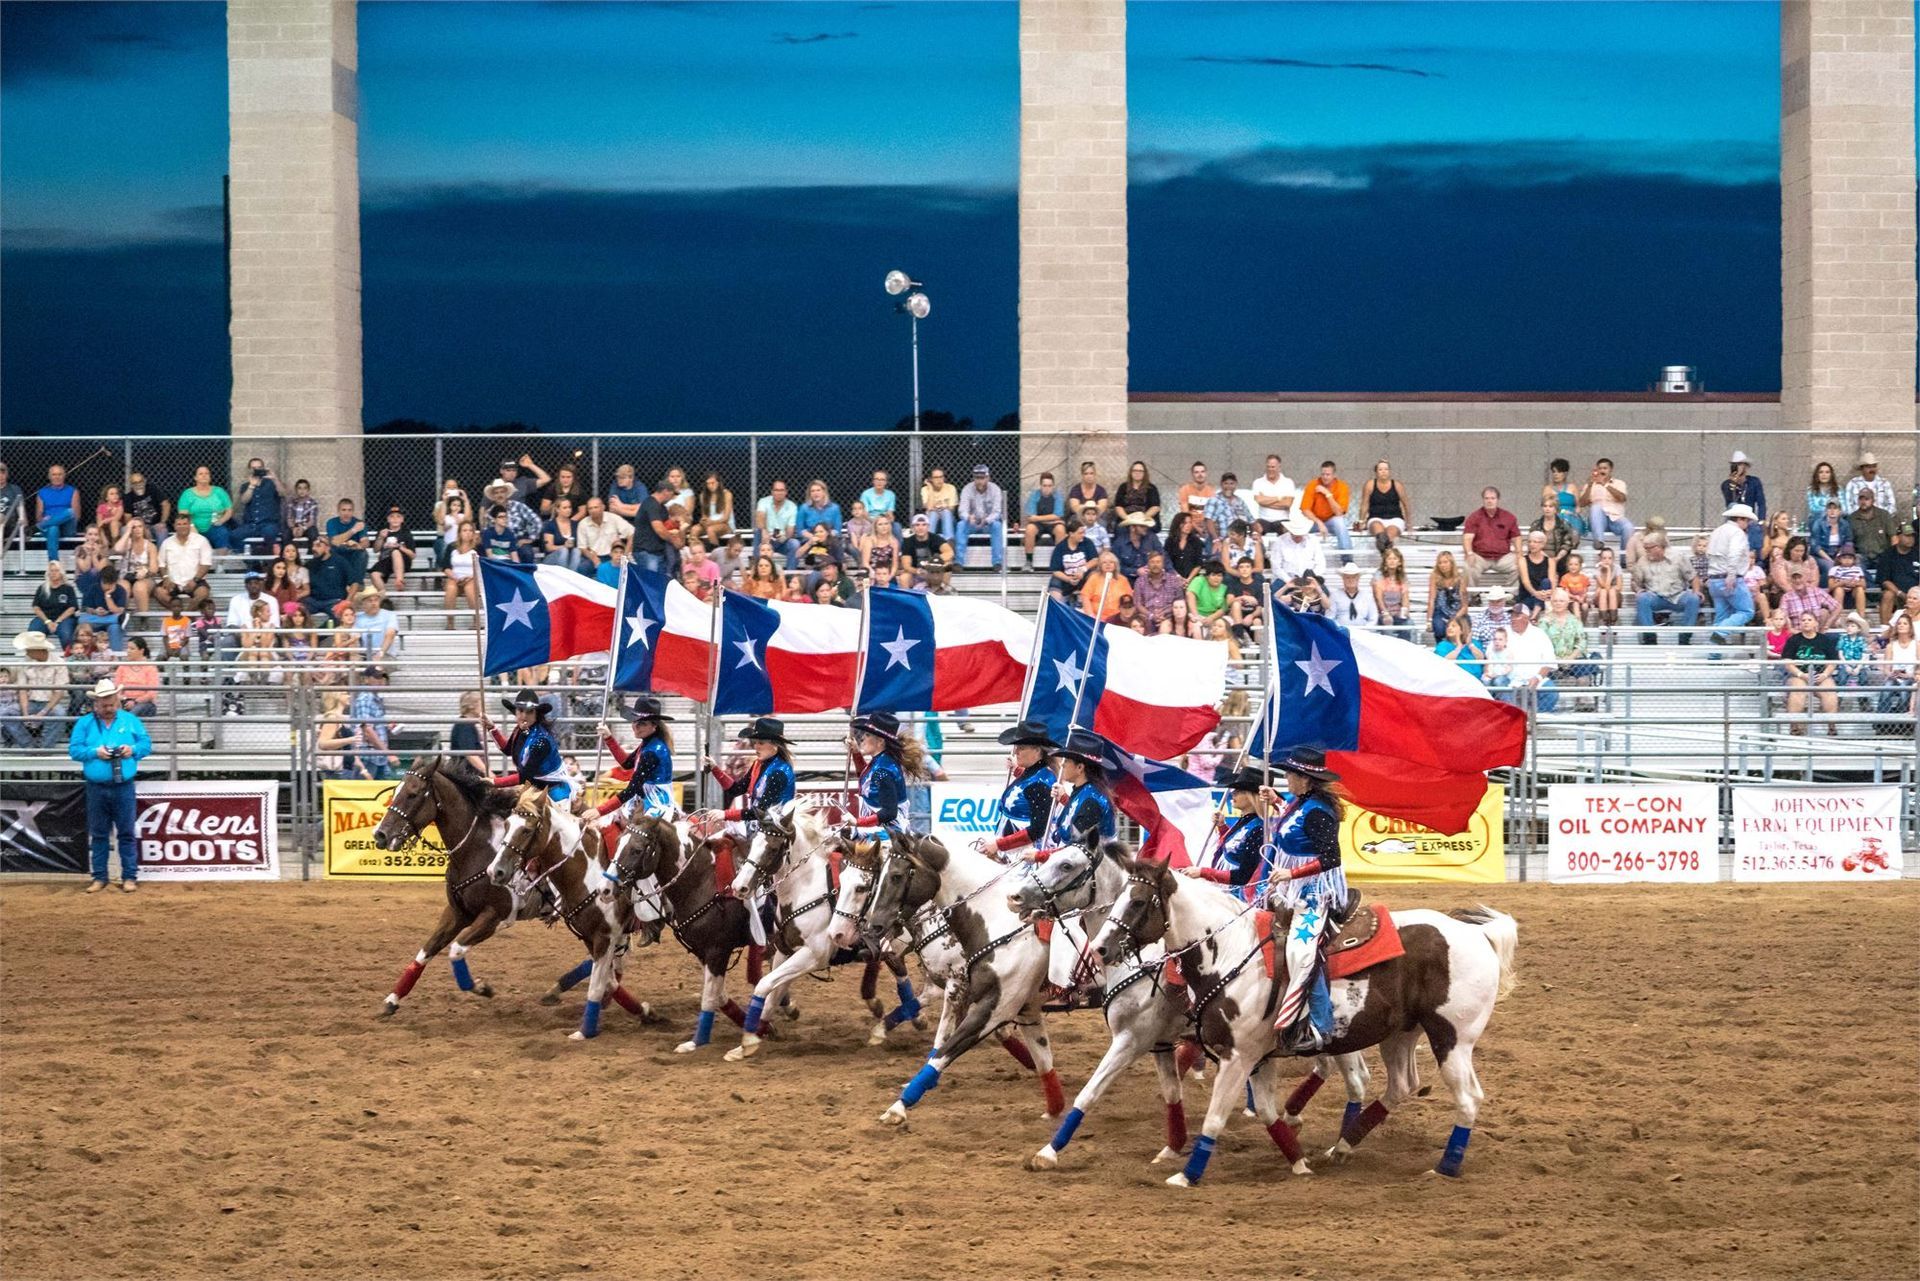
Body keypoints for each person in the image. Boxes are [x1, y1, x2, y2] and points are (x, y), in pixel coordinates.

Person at [1264, 748, 1347, 1054]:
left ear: (1304, 779)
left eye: (1290, 775)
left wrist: (1291, 872)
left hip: (1315, 890)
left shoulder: (1317, 812)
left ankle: (1322, 1025)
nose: (1286, 779)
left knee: (1302, 950)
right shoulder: (1301, 804)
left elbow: (1331, 857)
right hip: (1293, 886)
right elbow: (1291, 813)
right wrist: (1275, 799)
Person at [69, 678, 153, 892]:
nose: (108, 709)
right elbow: (74, 750)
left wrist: (132, 750)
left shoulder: (130, 720)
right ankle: (100, 876)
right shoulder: (84, 723)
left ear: (117, 701)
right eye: (104, 705)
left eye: (111, 704)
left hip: (122, 785)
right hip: (97, 786)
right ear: (96, 704)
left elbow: (146, 744)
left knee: (125, 832)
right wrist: (94, 752)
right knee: (99, 834)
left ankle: (129, 876)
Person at [482, 689, 584, 851]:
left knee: (551, 843)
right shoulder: (521, 731)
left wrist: (495, 782)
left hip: (554, 793)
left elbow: (525, 776)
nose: (524, 716)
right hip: (534, 791)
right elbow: (508, 749)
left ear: (536, 714)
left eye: (529, 712)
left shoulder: (541, 740)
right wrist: (492, 729)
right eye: (520, 711)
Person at [593, 696, 679, 844]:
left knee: (636, 843)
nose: (635, 726)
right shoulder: (647, 744)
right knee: (607, 823)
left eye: (642, 723)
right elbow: (627, 763)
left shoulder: (653, 751)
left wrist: (600, 810)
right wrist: (608, 738)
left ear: (654, 726)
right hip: (644, 798)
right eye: (635, 721)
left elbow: (631, 789)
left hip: (657, 803)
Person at [1179, 768, 1273, 899]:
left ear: (1251, 796)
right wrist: (1223, 827)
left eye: (1239, 791)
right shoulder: (1246, 822)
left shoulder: (1258, 829)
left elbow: (1243, 876)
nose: (1233, 794)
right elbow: (1233, 849)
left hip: (1238, 897)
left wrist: (1203, 872)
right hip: (1227, 890)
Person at [699, 716, 797, 840]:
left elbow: (759, 811)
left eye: (761, 743)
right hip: (760, 824)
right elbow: (736, 789)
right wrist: (715, 768)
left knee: (721, 842)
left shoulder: (779, 772)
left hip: (774, 831)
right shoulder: (759, 764)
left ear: (775, 745)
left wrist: (725, 814)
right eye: (755, 742)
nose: (756, 746)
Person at [973, 719, 1057, 859]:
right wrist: (1017, 770)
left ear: (1037, 750)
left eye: (1021, 747)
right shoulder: (1032, 774)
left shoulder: (1040, 784)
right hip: (1011, 849)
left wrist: (999, 844)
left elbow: (1037, 830)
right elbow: (1026, 789)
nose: (1016, 751)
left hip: (1024, 856)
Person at [843, 710, 929, 839]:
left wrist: (857, 822)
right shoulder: (880, 762)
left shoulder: (883, 771)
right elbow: (867, 779)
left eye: (867, 735)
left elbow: (889, 813)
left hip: (887, 833)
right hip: (876, 829)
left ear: (880, 741)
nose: (862, 738)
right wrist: (856, 753)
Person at [1632, 536, 1701, 644]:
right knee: (1642, 598)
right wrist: (1638, 589)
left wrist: (1696, 590)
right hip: (1655, 597)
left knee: (1694, 598)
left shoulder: (1678, 557)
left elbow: (1693, 577)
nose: (1646, 551)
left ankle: (1685, 637)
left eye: (1648, 548)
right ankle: (1650, 637)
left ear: (1659, 547)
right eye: (1645, 548)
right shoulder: (1642, 561)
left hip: (1678, 596)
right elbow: (1635, 582)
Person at [1780, 611, 1839, 735]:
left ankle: (1832, 726)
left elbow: (1833, 662)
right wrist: (1801, 675)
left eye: (1809, 620)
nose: (1806, 622)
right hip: (1800, 675)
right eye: (1803, 620)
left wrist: (1825, 675)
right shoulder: (1793, 640)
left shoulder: (1824, 640)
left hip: (1820, 675)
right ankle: (1795, 727)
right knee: (1798, 690)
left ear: (1816, 623)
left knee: (1830, 690)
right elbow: (1787, 662)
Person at [1706, 503, 1758, 644]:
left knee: (1721, 616)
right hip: (1729, 578)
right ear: (1741, 519)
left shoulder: (1717, 531)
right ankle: (1719, 633)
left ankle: (1714, 655)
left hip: (1714, 578)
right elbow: (1734, 554)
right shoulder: (1737, 533)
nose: (1748, 524)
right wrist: (1731, 575)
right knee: (1747, 611)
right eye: (1747, 520)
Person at [1497, 607, 1559, 712]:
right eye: (1512, 616)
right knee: (1499, 682)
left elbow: (1549, 661)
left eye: (1517, 616)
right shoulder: (1503, 633)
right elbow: (1492, 652)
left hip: (1535, 679)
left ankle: (1534, 718)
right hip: (1509, 678)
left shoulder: (1539, 634)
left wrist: (1538, 677)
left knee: (1551, 692)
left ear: (1526, 618)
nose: (1513, 619)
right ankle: (1513, 717)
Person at [1461, 487, 1521, 587]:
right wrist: (1469, 553)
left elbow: (1516, 537)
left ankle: (1510, 595)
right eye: (1487, 498)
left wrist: (1519, 554)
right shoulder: (1474, 517)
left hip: (1502, 557)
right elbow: (1467, 538)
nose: (1489, 501)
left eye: (1493, 498)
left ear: (1498, 500)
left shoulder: (1508, 517)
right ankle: (1473, 597)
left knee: (1522, 565)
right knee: (1468, 566)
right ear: (1483, 500)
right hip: (1480, 557)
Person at [956, 464, 1007, 570]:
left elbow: (997, 512)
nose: (979, 481)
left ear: (988, 478)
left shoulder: (995, 489)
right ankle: (958, 562)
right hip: (972, 523)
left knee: (997, 525)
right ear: (974, 478)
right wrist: (968, 517)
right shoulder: (967, 489)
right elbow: (962, 510)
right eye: (977, 478)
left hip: (988, 524)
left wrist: (987, 520)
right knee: (961, 525)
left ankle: (997, 562)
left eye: (982, 478)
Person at [1578, 458, 1632, 552]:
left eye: (1605, 468)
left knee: (1629, 528)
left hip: (1615, 518)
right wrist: (1590, 486)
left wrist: (1605, 484)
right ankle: (1599, 542)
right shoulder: (1591, 485)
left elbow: (1622, 498)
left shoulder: (1619, 483)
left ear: (1611, 470)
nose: (1602, 471)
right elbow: (1581, 503)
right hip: (1597, 521)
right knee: (1596, 507)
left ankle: (1624, 560)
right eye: (1600, 468)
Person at [232, 457, 284, 552]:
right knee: (234, 535)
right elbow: (244, 501)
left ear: (263, 468)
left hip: (269, 523)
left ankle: (267, 561)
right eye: (253, 468)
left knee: (270, 534)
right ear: (249, 470)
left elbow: (283, 494)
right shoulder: (246, 485)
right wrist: (251, 486)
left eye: (259, 467)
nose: (256, 470)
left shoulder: (272, 483)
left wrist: (275, 479)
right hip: (251, 524)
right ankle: (252, 561)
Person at [178, 465, 234, 551]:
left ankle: (221, 563)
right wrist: (191, 526)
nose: (204, 475)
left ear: (210, 477)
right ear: (195, 477)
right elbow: (183, 514)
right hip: (193, 527)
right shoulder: (187, 494)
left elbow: (229, 510)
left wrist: (221, 521)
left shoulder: (219, 492)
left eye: (207, 473)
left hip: (215, 525)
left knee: (222, 533)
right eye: (200, 474)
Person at [1298, 461, 1353, 551]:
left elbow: (1339, 513)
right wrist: (1319, 522)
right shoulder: (1313, 484)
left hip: (1331, 521)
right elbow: (1305, 509)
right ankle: (1301, 557)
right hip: (1314, 522)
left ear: (1334, 475)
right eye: (1323, 474)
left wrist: (1327, 494)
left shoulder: (1342, 486)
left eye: (1328, 474)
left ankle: (1347, 560)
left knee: (1339, 522)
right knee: (1299, 525)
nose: (1325, 477)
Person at [1721, 451, 1767, 553]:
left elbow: (1761, 502)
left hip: (1749, 517)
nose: (1739, 467)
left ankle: (1755, 555)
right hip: (1733, 518)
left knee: (1755, 531)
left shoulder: (1754, 482)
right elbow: (1730, 503)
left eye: (1742, 464)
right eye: (1736, 465)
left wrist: (1761, 519)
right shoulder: (1726, 484)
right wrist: (1734, 484)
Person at [77, 566, 129, 653]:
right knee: (81, 620)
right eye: (104, 583)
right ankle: (116, 619)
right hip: (96, 620)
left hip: (111, 621)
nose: (106, 586)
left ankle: (116, 659)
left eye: (110, 584)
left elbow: (119, 610)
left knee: (115, 628)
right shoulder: (93, 588)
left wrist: (107, 596)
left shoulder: (120, 590)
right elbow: (84, 608)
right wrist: (95, 611)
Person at [1267, 511, 1326, 585]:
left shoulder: (1313, 540)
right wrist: (1289, 580)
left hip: (1310, 578)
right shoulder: (1280, 541)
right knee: (1274, 594)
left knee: (1325, 594)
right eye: (1295, 535)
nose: (1298, 537)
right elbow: (1276, 566)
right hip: (1286, 579)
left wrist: (1311, 578)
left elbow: (1321, 563)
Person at [1876, 523, 1919, 624]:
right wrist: (1900, 593)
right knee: (1888, 595)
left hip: (1917, 592)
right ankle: (1885, 628)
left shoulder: (1918, 553)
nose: (1911, 539)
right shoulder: (1887, 555)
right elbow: (1884, 581)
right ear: (1898, 536)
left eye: (1912, 536)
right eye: (1907, 536)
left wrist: (1915, 593)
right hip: (1896, 594)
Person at [30, 563, 80, 651]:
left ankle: (69, 658)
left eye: (56, 570)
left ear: (61, 573)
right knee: (33, 632)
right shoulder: (42, 588)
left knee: (66, 634)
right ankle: (36, 658)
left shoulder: (68, 589)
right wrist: (47, 621)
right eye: (51, 571)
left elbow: (72, 608)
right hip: (45, 619)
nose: (53, 573)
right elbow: (36, 607)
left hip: (64, 619)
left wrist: (57, 621)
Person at [114, 518, 160, 612]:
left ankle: (143, 620)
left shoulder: (150, 546)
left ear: (144, 528)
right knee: (123, 587)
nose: (138, 529)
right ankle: (121, 617)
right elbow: (117, 549)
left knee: (139, 587)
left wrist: (145, 572)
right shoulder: (127, 543)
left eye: (140, 526)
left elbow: (154, 569)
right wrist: (127, 532)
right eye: (134, 527)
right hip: (126, 577)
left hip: (145, 578)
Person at [35, 463, 79, 559]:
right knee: (53, 528)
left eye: (60, 474)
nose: (57, 477)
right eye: (54, 474)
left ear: (64, 476)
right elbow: (38, 516)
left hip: (67, 527)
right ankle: (54, 564)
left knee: (70, 512)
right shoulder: (42, 492)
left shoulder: (72, 491)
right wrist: (43, 519)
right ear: (49, 476)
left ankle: (39, 527)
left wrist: (57, 520)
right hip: (50, 527)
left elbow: (76, 515)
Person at [753, 479, 800, 570]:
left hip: (781, 540)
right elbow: (759, 517)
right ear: (772, 492)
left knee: (795, 544)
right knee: (758, 531)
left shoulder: (792, 506)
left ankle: (789, 576)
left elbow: (790, 530)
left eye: (781, 490)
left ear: (786, 492)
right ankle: (756, 571)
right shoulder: (764, 501)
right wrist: (764, 531)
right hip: (765, 537)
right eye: (776, 490)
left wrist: (784, 537)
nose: (779, 493)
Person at [302, 536, 353, 618]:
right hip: (313, 601)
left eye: (318, 546)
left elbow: (354, 583)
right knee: (298, 612)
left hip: (334, 601)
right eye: (313, 546)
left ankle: (320, 630)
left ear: (327, 548)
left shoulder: (340, 562)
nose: (314, 549)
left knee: (340, 615)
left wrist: (347, 601)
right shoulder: (309, 564)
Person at [370, 507, 416, 591]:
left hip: (403, 562)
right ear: (388, 519)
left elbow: (412, 555)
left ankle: (399, 581)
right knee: (374, 574)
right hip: (386, 561)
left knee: (395, 552)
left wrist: (400, 547)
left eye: (398, 516)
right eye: (392, 516)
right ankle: (384, 598)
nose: (395, 519)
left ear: (402, 519)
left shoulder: (406, 533)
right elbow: (375, 550)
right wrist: (380, 537)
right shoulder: (383, 531)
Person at [1842, 453, 1897, 521]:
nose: (1872, 469)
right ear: (1862, 469)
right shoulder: (1853, 484)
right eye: (1868, 467)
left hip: (1882, 521)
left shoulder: (1885, 483)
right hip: (1859, 522)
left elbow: (1892, 506)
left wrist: (1882, 517)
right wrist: (1860, 517)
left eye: (1874, 466)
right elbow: (1848, 507)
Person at [113, 639, 160, 716]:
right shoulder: (122, 667)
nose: (128, 651)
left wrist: (135, 701)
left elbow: (151, 693)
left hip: (145, 703)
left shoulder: (150, 668)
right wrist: (122, 699)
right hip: (124, 701)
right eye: (127, 648)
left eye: (132, 649)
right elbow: (117, 689)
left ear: (141, 651)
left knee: (133, 712)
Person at [1112, 461, 1162, 533]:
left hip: (1145, 518)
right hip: (1127, 518)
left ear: (1145, 473)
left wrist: (1141, 519)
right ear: (1131, 472)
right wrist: (1128, 519)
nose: (1137, 473)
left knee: (1149, 529)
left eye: (1140, 471)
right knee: (1120, 530)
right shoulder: (1123, 487)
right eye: (1135, 470)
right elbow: (1118, 506)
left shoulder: (1151, 488)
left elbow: (1155, 507)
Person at [1326, 561, 1378, 628]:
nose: (1350, 580)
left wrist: (1366, 630)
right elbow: (1330, 617)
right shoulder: (1335, 595)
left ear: (1358, 579)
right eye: (1347, 577)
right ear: (1343, 579)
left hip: (1364, 633)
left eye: (1353, 577)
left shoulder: (1367, 596)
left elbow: (1373, 618)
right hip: (1342, 633)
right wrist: (1339, 630)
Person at [1436, 611, 1485, 680]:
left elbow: (1481, 658)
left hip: (1475, 680)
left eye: (1453, 626)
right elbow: (1444, 662)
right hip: (1454, 681)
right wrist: (1458, 648)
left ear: (1462, 629)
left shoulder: (1474, 643)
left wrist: (1470, 645)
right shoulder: (1442, 645)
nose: (1449, 628)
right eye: (1448, 626)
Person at [1113, 512, 1163, 581]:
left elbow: (1162, 555)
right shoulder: (1119, 543)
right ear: (1132, 528)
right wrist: (1135, 571)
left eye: (1146, 525)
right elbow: (1115, 566)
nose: (1146, 528)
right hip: (1127, 580)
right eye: (1142, 526)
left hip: (1150, 579)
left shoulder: (1152, 538)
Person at [1078, 551, 1126, 620]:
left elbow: (1128, 600)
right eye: (1104, 562)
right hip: (1096, 618)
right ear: (1100, 565)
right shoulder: (1093, 578)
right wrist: (1091, 616)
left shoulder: (1123, 580)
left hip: (1117, 619)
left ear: (1115, 565)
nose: (1108, 564)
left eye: (1111, 562)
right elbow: (1085, 597)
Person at [1542, 457, 1583, 536]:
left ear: (1565, 473)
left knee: (1573, 521)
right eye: (1554, 472)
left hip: (1572, 517)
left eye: (1559, 471)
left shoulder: (1572, 487)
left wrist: (1574, 513)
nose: (1556, 474)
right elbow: (1545, 506)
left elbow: (1578, 507)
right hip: (1554, 516)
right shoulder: (1548, 489)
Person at [918, 467, 958, 541]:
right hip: (932, 520)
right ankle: (929, 542)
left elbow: (952, 509)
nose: (939, 480)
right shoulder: (925, 489)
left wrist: (941, 509)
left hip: (948, 521)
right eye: (936, 477)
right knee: (933, 513)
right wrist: (930, 488)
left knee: (945, 512)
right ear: (930, 479)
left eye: (941, 477)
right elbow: (929, 508)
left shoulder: (951, 488)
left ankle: (948, 542)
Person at [694, 471, 735, 543]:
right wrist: (703, 521)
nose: (710, 486)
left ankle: (715, 551)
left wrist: (712, 522)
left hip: (725, 524)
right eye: (708, 483)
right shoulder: (702, 495)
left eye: (712, 483)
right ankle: (697, 550)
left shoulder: (727, 494)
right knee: (694, 529)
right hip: (709, 524)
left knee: (710, 530)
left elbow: (726, 518)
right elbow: (705, 515)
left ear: (718, 483)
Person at [281, 477, 320, 545]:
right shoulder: (292, 502)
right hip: (294, 527)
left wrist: (303, 528)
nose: (302, 491)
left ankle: (311, 553)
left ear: (308, 490)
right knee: (285, 534)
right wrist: (293, 528)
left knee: (313, 534)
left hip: (307, 527)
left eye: (305, 488)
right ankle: (288, 553)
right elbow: (289, 518)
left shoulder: (312, 503)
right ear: (296, 490)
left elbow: (312, 520)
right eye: (299, 488)